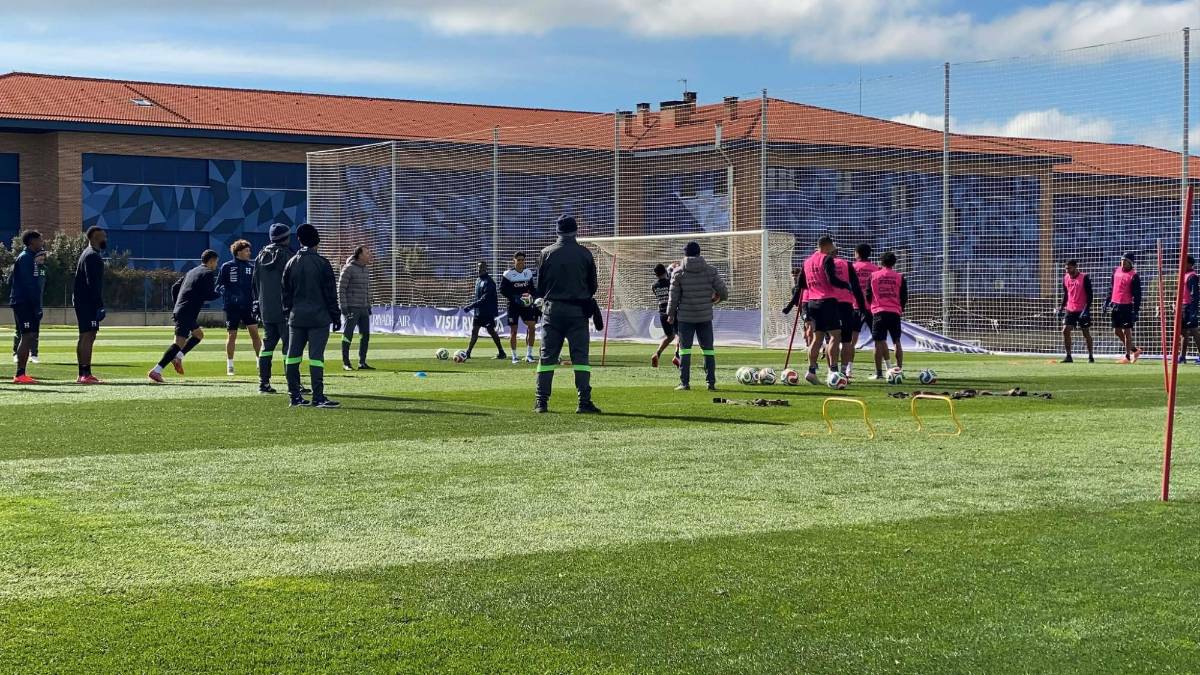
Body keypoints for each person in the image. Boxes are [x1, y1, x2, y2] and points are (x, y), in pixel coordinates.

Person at [534, 214, 600, 414]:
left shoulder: (546, 253)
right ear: (575, 230)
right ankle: (583, 401)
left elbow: (539, 286)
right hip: (578, 312)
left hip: (552, 311)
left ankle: (541, 402)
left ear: (557, 231)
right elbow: (593, 287)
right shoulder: (585, 254)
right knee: (581, 358)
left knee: (546, 358)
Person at [282, 223, 342, 408]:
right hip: (318, 317)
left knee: (293, 356)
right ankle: (318, 397)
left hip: (296, 316)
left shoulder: (290, 262)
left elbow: (285, 293)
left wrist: (288, 313)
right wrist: (336, 316)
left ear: (299, 240)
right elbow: (330, 293)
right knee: (316, 356)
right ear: (317, 241)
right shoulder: (322, 263)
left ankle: (294, 396)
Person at [148, 250, 221, 382]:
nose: (216, 265)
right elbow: (209, 295)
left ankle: (178, 357)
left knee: (198, 335)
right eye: (216, 262)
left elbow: (175, 287)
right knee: (178, 343)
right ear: (211, 261)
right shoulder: (208, 273)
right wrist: (221, 292)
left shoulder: (192, 271)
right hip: (187, 312)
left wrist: (178, 304)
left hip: (182, 310)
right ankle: (156, 370)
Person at [666, 241, 729, 391]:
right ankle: (711, 383)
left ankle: (684, 383)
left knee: (685, 350)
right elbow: (724, 292)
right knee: (708, 350)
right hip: (704, 317)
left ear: (685, 254)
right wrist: (716, 299)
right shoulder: (711, 271)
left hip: (685, 318)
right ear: (699, 253)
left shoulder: (678, 272)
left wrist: (670, 314)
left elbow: (673, 297)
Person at [797, 235, 853, 385]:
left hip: (812, 302)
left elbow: (801, 284)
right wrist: (846, 285)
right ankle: (834, 371)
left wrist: (796, 303)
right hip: (827, 301)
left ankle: (811, 371)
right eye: (832, 247)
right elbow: (831, 279)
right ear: (827, 246)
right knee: (835, 335)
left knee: (817, 338)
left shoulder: (807, 261)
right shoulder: (826, 259)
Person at [253, 223, 301, 394]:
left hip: (267, 309)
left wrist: (259, 305)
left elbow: (255, 284)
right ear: (286, 237)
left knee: (267, 346)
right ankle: (294, 384)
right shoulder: (289, 255)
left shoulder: (260, 256)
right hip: (286, 310)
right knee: (290, 347)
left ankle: (263, 383)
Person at [218, 240, 262, 376]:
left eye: (249, 250)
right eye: (247, 250)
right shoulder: (227, 266)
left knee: (255, 333)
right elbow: (219, 285)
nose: (249, 253)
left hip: (248, 306)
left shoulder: (253, 267)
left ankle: (260, 362)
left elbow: (257, 286)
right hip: (232, 307)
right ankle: (230, 365)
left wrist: (257, 301)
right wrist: (227, 294)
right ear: (238, 252)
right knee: (232, 335)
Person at [9, 231, 45, 384]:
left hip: (26, 302)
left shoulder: (31, 258)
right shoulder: (25, 259)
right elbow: (28, 285)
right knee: (27, 335)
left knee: (29, 336)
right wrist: (35, 305)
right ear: (31, 242)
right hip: (24, 303)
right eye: (39, 240)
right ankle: (20, 374)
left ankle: (22, 373)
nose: (41, 243)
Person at [73, 226, 107, 384]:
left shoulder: (88, 254)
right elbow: (92, 282)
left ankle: (82, 373)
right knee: (88, 335)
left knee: (85, 335)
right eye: (102, 236)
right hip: (87, 302)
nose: (105, 239)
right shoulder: (92, 256)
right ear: (94, 237)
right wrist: (99, 305)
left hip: (83, 301)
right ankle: (85, 374)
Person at [866, 251, 908, 379]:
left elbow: (868, 295)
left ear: (881, 262)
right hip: (894, 311)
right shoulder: (900, 277)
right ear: (894, 263)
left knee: (878, 342)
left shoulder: (873, 276)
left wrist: (873, 306)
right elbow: (904, 296)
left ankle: (878, 373)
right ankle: (899, 370)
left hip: (879, 311)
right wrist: (900, 308)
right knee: (897, 341)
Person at [831, 247, 868, 378]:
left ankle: (832, 371)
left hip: (829, 303)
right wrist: (862, 306)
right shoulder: (847, 264)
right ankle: (844, 371)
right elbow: (856, 287)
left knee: (832, 338)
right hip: (847, 305)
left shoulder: (821, 263)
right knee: (847, 340)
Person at [500, 251, 540, 365]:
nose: (521, 262)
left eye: (523, 260)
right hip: (513, 306)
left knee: (532, 327)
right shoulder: (508, 274)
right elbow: (502, 290)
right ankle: (514, 356)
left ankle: (529, 354)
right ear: (514, 260)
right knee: (514, 331)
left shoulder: (528, 273)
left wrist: (535, 297)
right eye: (519, 260)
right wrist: (515, 298)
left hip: (526, 305)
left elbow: (532, 288)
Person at [338, 245, 374, 371]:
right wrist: (343, 307)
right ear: (359, 255)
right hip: (352, 308)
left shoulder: (366, 269)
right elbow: (341, 289)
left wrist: (368, 305)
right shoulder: (348, 269)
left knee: (365, 335)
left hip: (363, 308)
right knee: (348, 335)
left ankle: (362, 362)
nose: (370, 255)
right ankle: (346, 363)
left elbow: (367, 290)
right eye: (367, 252)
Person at [462, 261, 507, 360]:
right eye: (478, 267)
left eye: (481, 267)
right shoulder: (478, 280)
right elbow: (477, 297)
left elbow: (485, 299)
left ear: (486, 268)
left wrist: (471, 306)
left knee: (491, 331)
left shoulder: (489, 282)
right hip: (478, 312)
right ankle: (468, 352)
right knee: (474, 331)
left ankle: (501, 352)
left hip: (487, 312)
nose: (479, 269)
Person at [850, 244, 881, 373]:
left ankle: (848, 370)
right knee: (879, 340)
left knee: (851, 341)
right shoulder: (876, 269)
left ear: (857, 253)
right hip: (871, 307)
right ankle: (881, 370)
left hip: (855, 306)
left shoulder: (851, 267)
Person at [1107, 252, 1142, 364]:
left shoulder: (1134, 276)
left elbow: (1138, 295)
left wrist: (1135, 311)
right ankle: (1135, 350)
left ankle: (1127, 356)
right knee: (1116, 331)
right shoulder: (1116, 271)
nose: (1123, 263)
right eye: (1122, 260)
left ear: (1131, 263)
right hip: (1115, 305)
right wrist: (1107, 301)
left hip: (1127, 305)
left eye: (1126, 261)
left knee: (1127, 331)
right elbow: (1111, 287)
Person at [1059, 259, 1095, 364]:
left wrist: (1087, 310)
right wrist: (1061, 308)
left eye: (1069, 268)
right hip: (1070, 309)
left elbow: (1090, 295)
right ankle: (1069, 356)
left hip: (1082, 310)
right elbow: (1066, 294)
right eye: (1066, 268)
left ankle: (1091, 356)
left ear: (1075, 267)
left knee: (1086, 333)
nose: (1067, 270)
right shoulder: (1065, 278)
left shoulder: (1084, 278)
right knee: (1065, 330)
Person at [651, 263, 679, 368]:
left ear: (656, 275)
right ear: (665, 272)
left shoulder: (654, 286)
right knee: (680, 334)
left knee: (670, 336)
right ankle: (677, 356)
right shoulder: (670, 283)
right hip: (673, 311)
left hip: (662, 314)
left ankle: (657, 354)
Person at [1180, 255, 1198, 365]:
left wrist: (1193, 312)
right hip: (1182, 306)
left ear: (1190, 264)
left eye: (1184, 262)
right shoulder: (1183, 275)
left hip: (1189, 307)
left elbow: (1194, 295)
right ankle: (1182, 357)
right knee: (1183, 333)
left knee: (1195, 332)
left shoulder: (1192, 276)